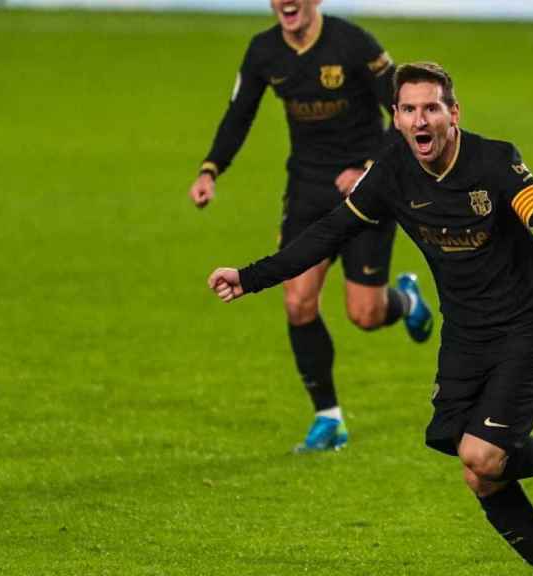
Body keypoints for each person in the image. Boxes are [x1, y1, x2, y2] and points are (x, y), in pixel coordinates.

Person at [207, 62, 533, 575]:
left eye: (431, 108)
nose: (420, 120)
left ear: (453, 113)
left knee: (482, 454)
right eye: (408, 110)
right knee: (479, 474)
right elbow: (329, 232)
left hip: (526, 325)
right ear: (396, 118)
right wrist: (250, 277)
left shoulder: (494, 162)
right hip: (465, 333)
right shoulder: (392, 173)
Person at [188, 0, 433, 453]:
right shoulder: (264, 52)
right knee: (299, 302)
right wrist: (211, 170)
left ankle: (406, 299)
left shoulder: (354, 44)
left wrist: (366, 166)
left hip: (368, 189)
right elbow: (239, 113)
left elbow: (404, 115)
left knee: (365, 314)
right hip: (307, 191)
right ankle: (329, 418)